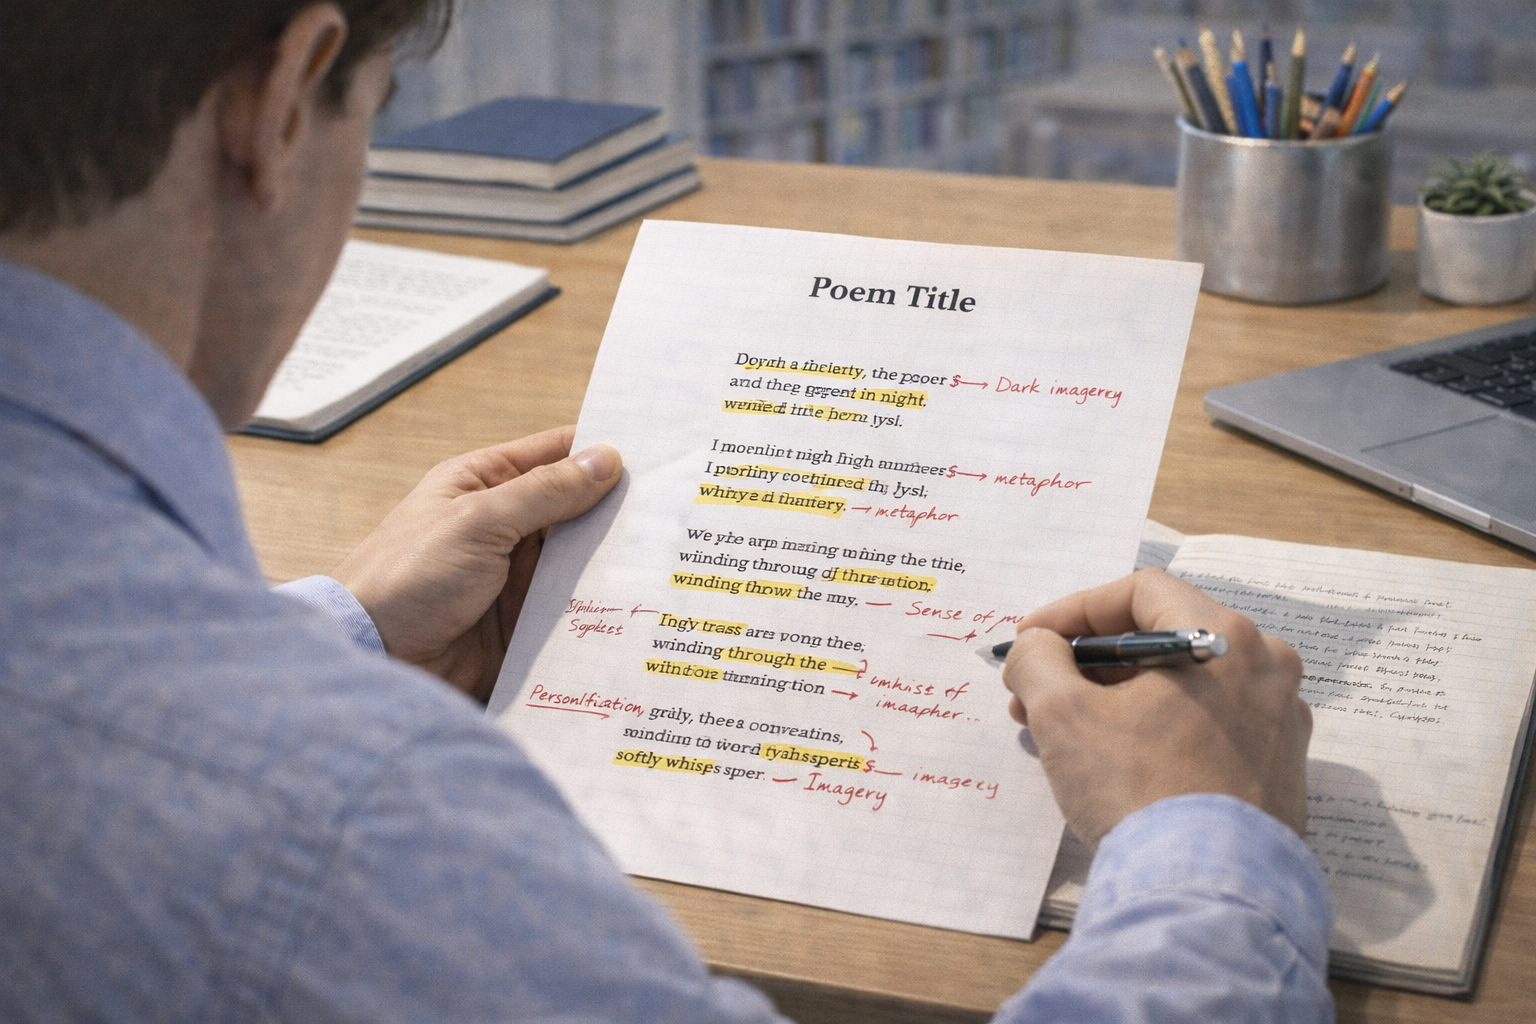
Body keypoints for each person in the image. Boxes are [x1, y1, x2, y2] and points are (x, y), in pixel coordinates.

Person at [0, 2, 1332, 1021]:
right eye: (381, 111)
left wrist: (336, 626)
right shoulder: (359, 826)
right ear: (284, 102)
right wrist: (1208, 848)